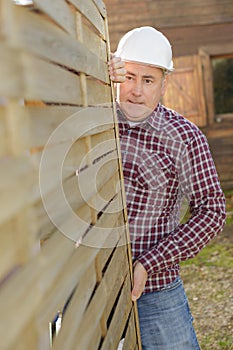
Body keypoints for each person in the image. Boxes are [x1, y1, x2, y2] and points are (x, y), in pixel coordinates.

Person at [108, 26, 226, 349]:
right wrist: (94, 78)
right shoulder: (96, 125)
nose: (136, 90)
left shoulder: (184, 137)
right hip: (97, 293)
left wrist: (150, 262)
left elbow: (213, 211)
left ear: (164, 84)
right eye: (129, 77)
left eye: (148, 81)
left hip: (158, 293)